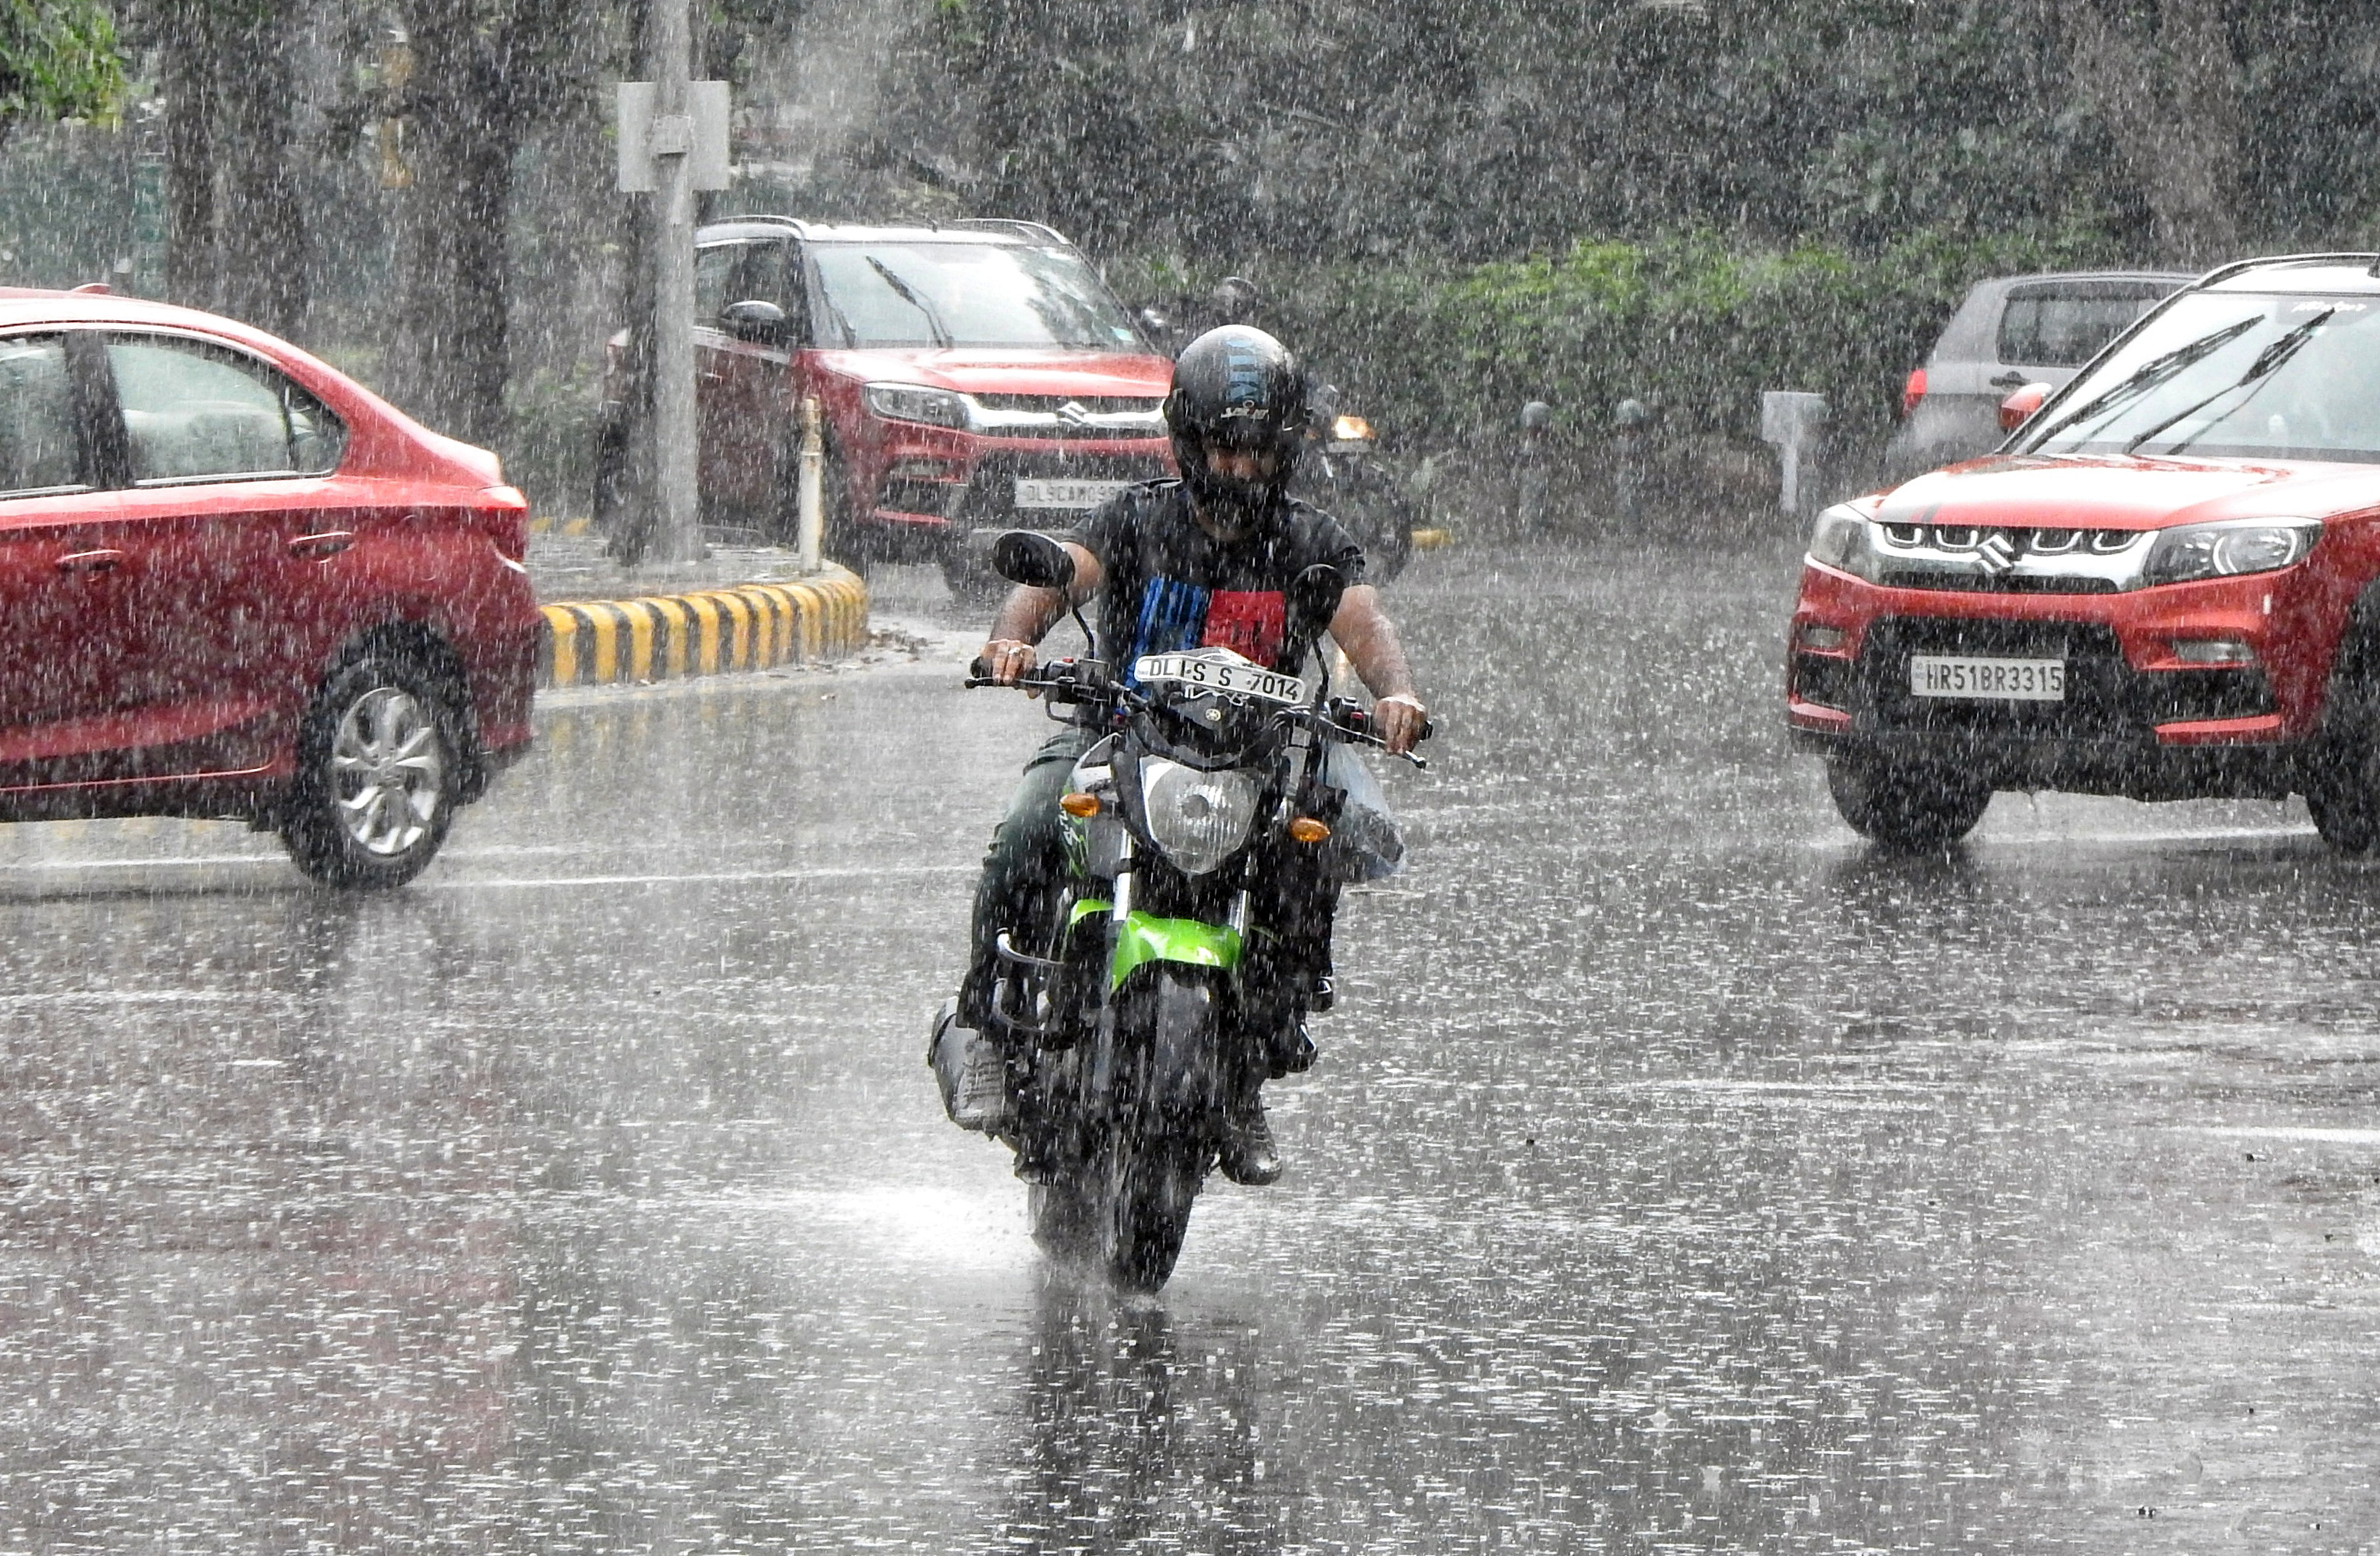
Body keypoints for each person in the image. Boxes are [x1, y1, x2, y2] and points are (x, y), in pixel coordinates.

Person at [959, 326, 1427, 1186]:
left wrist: (1393, 692)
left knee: (1310, 852)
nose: (1240, 467)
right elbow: (1063, 572)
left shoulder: (1308, 540)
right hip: (1121, 734)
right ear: (1187, 439)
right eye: (1223, 446)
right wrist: (1009, 641)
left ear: (1284, 450)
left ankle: (1246, 1068)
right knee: (1028, 828)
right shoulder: (1139, 517)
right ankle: (983, 1027)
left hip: (1250, 761)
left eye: (1257, 450)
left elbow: (1364, 624)